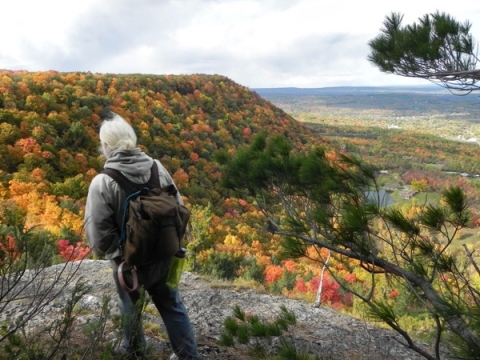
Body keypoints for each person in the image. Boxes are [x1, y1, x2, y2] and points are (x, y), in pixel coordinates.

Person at [84, 113, 202, 360]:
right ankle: (189, 356)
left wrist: (117, 254)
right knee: (172, 306)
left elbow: (98, 237)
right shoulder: (157, 167)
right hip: (164, 254)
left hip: (128, 263)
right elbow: (179, 208)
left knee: (130, 308)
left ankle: (135, 353)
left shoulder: (102, 182)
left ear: (106, 146)